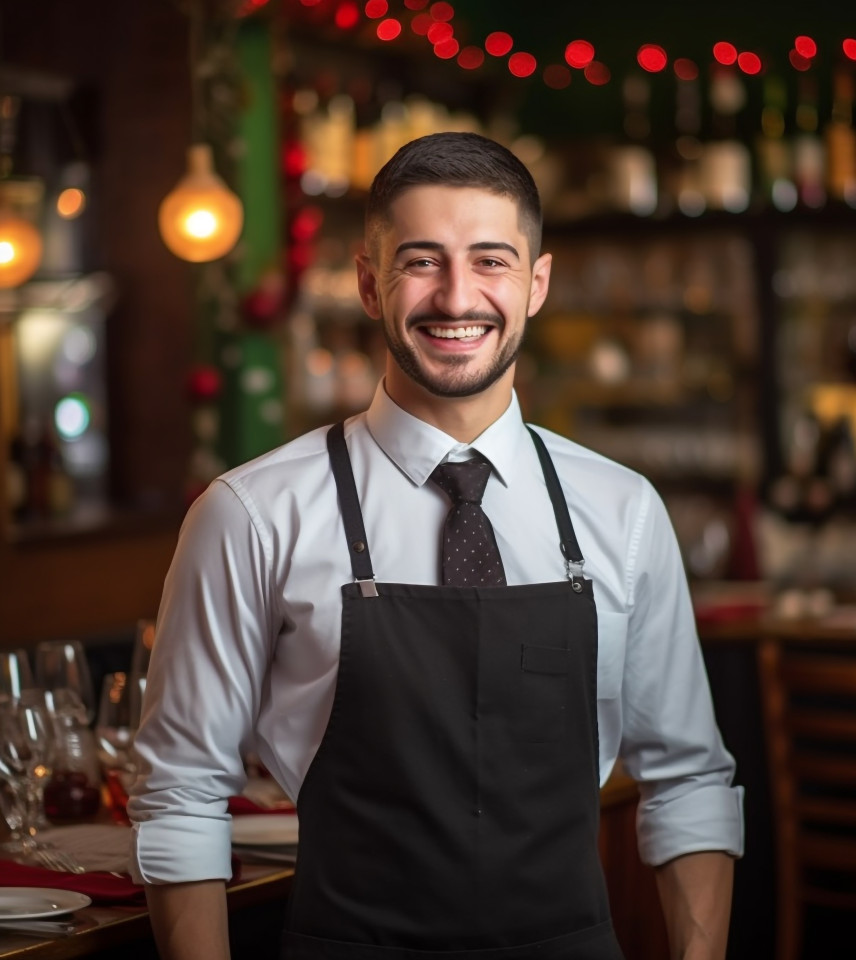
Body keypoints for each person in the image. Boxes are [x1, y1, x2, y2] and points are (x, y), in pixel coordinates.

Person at [128, 131, 744, 960]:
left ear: (537, 284)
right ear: (366, 283)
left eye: (491, 260)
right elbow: (181, 796)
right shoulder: (249, 513)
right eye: (421, 260)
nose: (458, 297)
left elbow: (690, 782)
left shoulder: (623, 511)